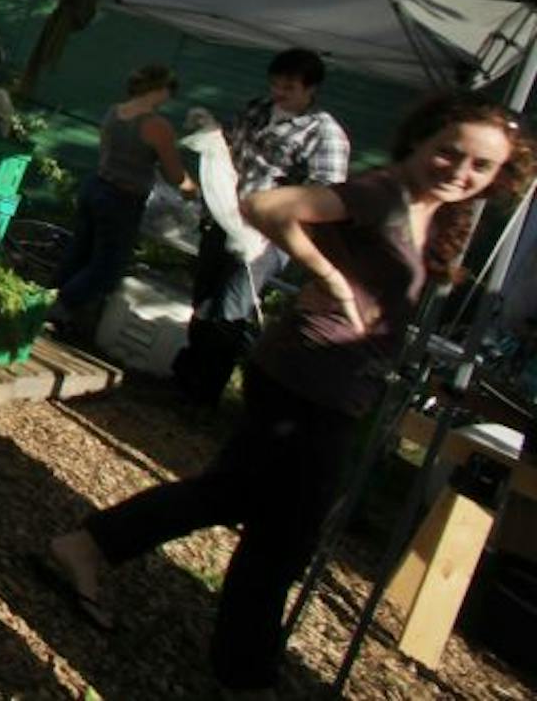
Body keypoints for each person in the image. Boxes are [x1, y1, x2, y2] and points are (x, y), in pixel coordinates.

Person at [44, 93, 532, 695]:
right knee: (283, 533)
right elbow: (267, 205)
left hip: (330, 381)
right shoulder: (381, 192)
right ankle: (243, 672)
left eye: (480, 167)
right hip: (308, 379)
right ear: (423, 141)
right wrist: (325, 276)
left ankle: (92, 550)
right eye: (450, 153)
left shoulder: (433, 210)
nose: (460, 172)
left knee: (239, 499)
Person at [171, 48, 350, 409]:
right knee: (203, 300)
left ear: (310, 88)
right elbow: (229, 153)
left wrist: (276, 226)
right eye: (275, 85)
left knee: (230, 310)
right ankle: (184, 380)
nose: (279, 93)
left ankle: (203, 395)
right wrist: (211, 134)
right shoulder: (257, 108)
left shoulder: (325, 132)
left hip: (267, 237)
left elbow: (322, 197)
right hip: (225, 218)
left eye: (289, 87)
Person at [48, 64, 195, 343]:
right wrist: (191, 187)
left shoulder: (115, 112)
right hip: (122, 198)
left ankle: (45, 301)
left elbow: (107, 152)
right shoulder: (156, 125)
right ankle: (58, 309)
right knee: (107, 266)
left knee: (79, 253)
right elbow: (174, 174)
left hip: (96, 185)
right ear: (161, 89)